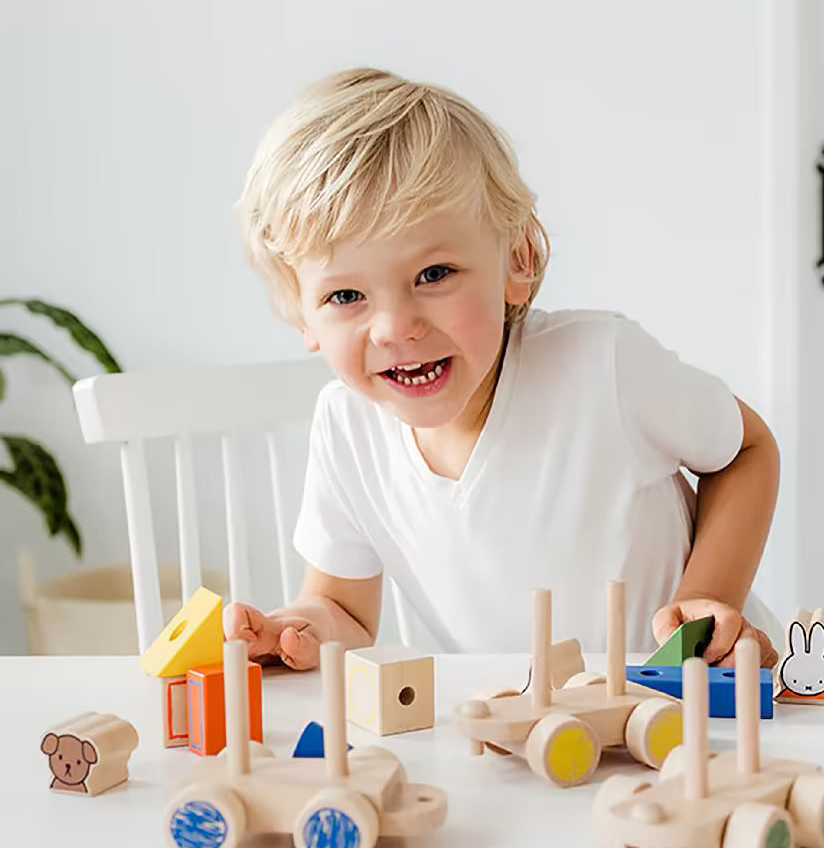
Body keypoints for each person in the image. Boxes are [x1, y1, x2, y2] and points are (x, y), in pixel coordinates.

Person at [226, 66, 781, 672]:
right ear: (302, 317)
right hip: (526, 734)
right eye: (345, 297)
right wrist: (296, 629)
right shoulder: (345, 427)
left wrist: (708, 599)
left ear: (517, 259)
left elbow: (747, 450)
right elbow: (345, 610)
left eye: (433, 275)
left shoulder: (602, 365)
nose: (394, 328)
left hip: (693, 704)